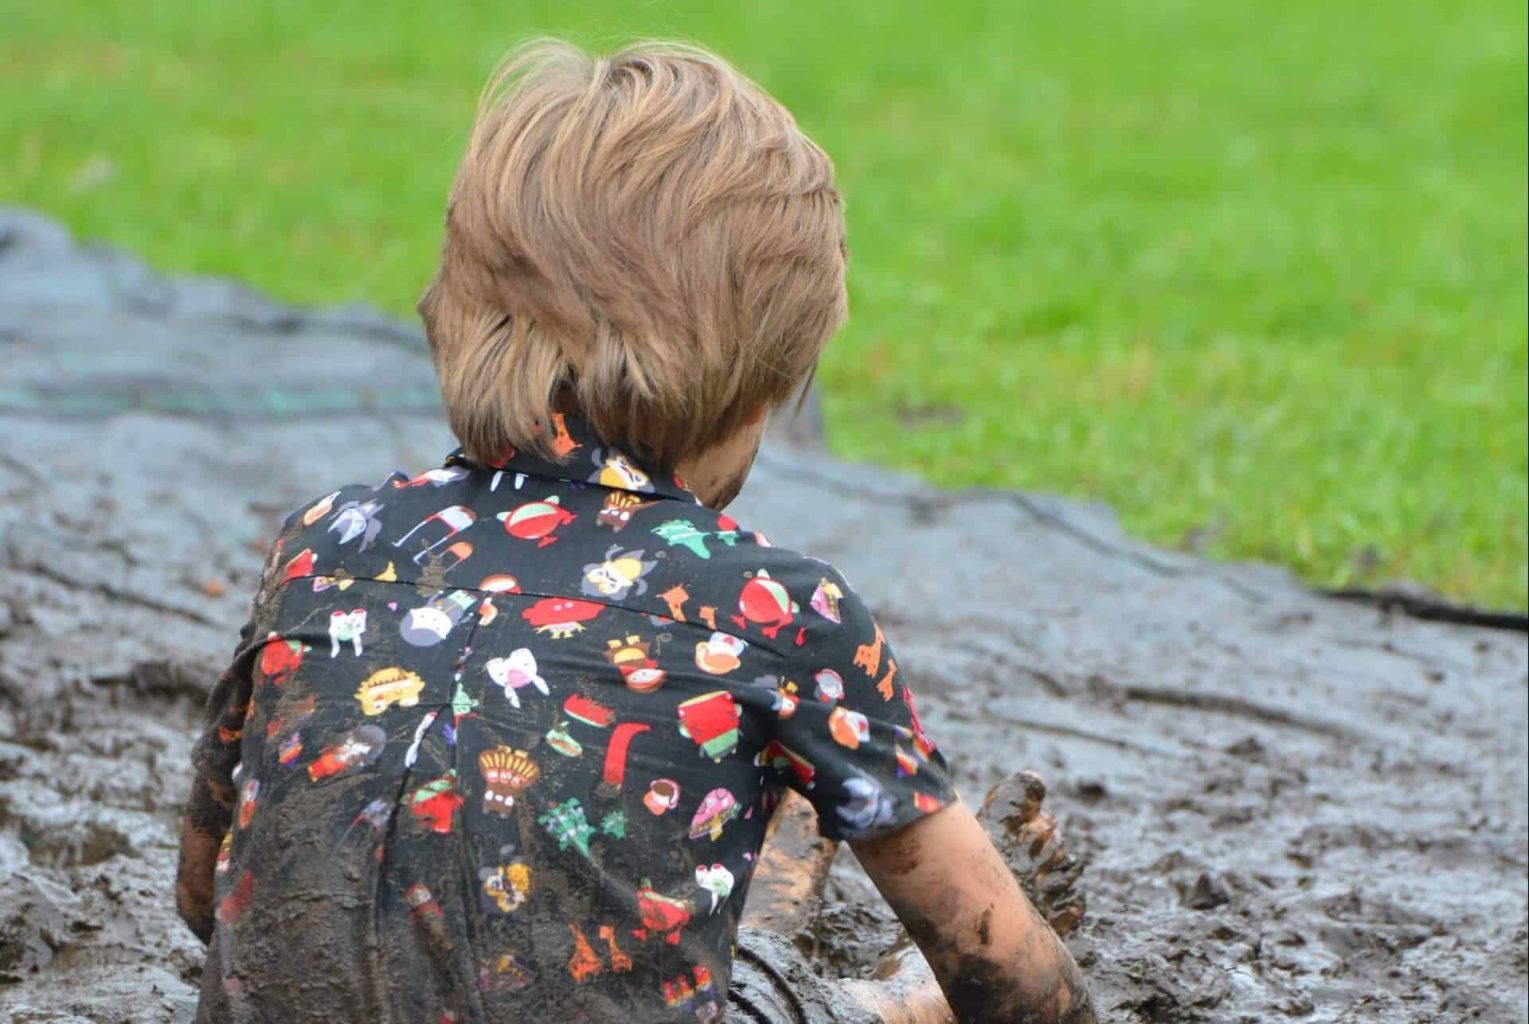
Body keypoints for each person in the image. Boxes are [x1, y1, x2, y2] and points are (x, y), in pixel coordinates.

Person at [174, 39, 1095, 1023]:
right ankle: (823, 937)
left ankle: (777, 894)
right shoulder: (772, 613)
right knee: (881, 1001)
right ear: (753, 389)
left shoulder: (324, 543)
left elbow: (206, 897)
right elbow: (1022, 995)